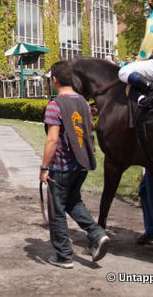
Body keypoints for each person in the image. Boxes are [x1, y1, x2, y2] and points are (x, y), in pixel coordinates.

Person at [41, 61, 110, 269]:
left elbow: (52, 140)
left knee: (57, 210)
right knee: (73, 203)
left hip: (60, 168)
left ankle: (64, 256)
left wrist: (44, 168)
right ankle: (98, 234)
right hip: (81, 165)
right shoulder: (84, 103)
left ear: (54, 80)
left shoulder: (55, 105)